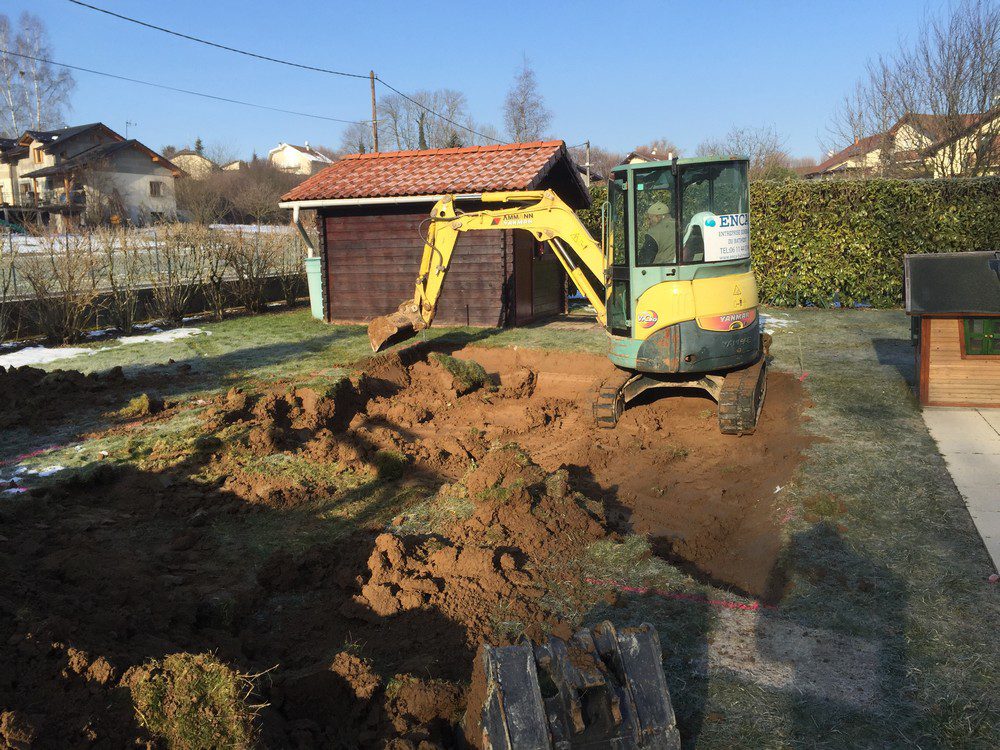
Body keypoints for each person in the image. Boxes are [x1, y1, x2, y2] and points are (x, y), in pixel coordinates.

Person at [639, 200, 676, 265]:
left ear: (658, 217)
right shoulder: (680, 226)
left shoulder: (654, 233)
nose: (649, 222)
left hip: (660, 269)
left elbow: (644, 261)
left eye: (650, 218)